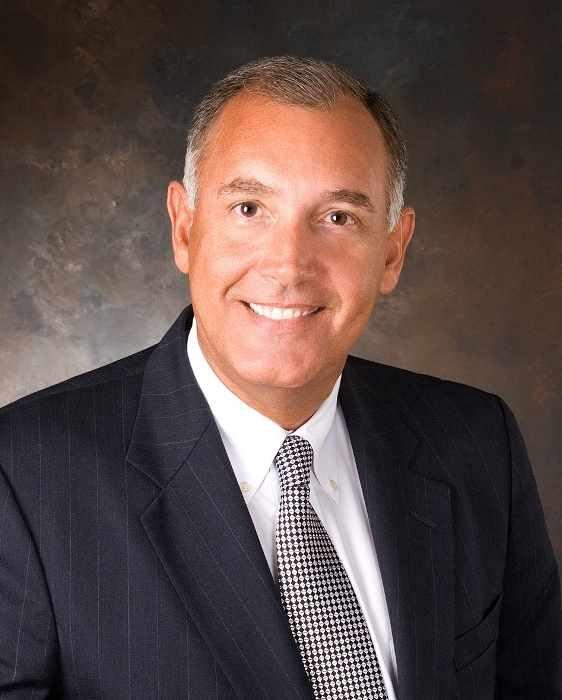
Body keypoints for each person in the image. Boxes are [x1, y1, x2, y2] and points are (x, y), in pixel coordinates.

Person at [0, 55, 559, 699]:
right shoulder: (25, 474)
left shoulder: (477, 441)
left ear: (393, 250)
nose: (290, 265)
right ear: (184, 228)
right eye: (249, 208)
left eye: (338, 217)